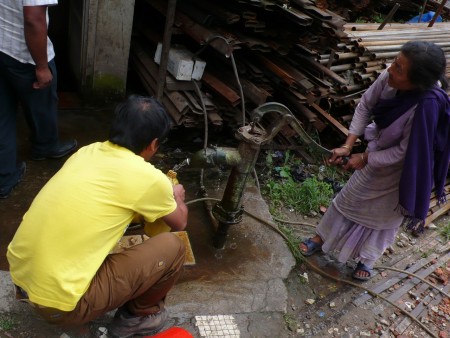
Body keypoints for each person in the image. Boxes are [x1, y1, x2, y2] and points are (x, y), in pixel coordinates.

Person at [7, 95, 188, 338]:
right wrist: (176, 194)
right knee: (174, 246)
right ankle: (138, 316)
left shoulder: (87, 152)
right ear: (154, 144)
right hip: (57, 305)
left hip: (21, 278)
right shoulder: (148, 178)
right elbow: (179, 222)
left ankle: (73, 312)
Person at [300, 41, 450, 281]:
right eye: (395, 62)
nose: (391, 69)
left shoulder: (426, 105)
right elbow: (365, 106)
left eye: (399, 68)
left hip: (406, 168)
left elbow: (404, 151)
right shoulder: (387, 78)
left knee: (385, 217)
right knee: (349, 198)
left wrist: (365, 157)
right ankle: (320, 238)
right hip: (378, 149)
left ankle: (367, 260)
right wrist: (348, 145)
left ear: (417, 83)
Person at [0, 1, 77, 199]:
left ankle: (4, 177)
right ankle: (45, 146)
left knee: (3, 116)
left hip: (2, 43)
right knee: (42, 102)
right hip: (23, 53)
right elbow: (34, 19)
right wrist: (42, 66)